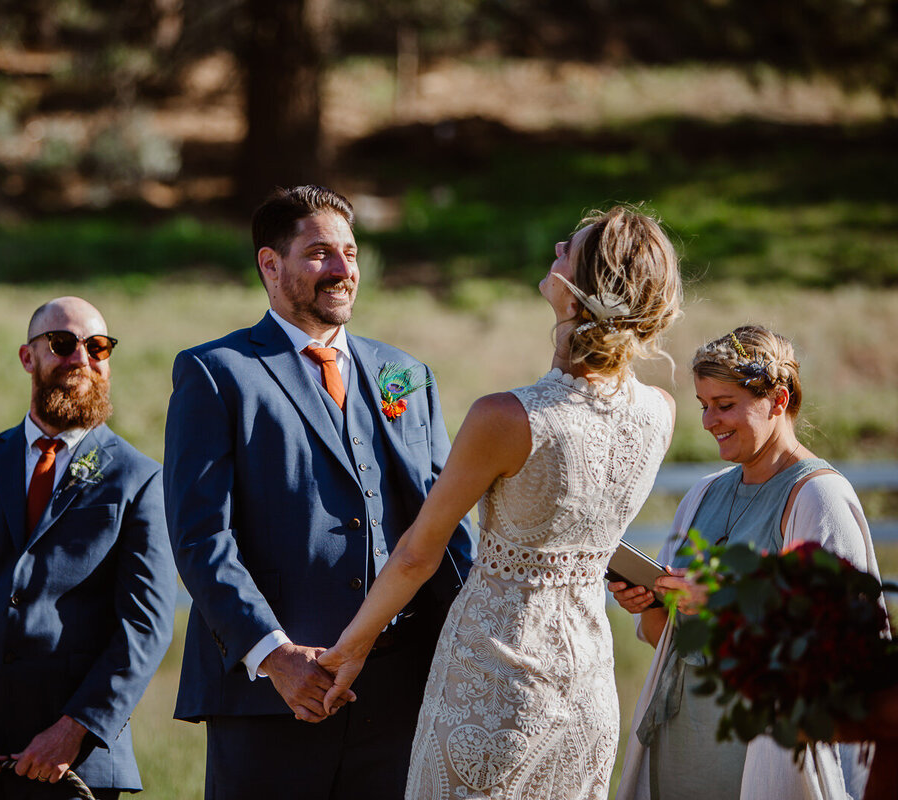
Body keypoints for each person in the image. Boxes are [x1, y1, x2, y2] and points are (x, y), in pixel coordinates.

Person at [318, 205, 683, 800]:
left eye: (574, 247)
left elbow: (417, 552)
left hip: (496, 685)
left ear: (576, 292)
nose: (559, 243)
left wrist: (351, 647)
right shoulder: (659, 413)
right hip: (590, 686)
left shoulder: (507, 417)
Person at [162, 185, 476, 800]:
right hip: (271, 697)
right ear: (269, 264)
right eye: (320, 253)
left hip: (398, 695)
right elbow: (202, 536)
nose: (343, 270)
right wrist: (276, 656)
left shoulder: (405, 374)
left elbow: (445, 525)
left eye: (351, 253)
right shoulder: (217, 372)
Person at [0, 297, 176, 800]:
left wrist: (73, 730)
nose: (81, 357)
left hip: (74, 762)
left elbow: (146, 626)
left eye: (98, 346)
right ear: (27, 357)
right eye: (62, 343)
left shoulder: (139, 479)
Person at [612, 325, 880, 800]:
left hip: (762, 755)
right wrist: (651, 602)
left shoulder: (820, 496)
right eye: (703, 404)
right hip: (679, 745)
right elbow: (666, 640)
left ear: (778, 400)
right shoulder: (703, 494)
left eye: (725, 404)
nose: (708, 420)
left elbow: (846, 652)